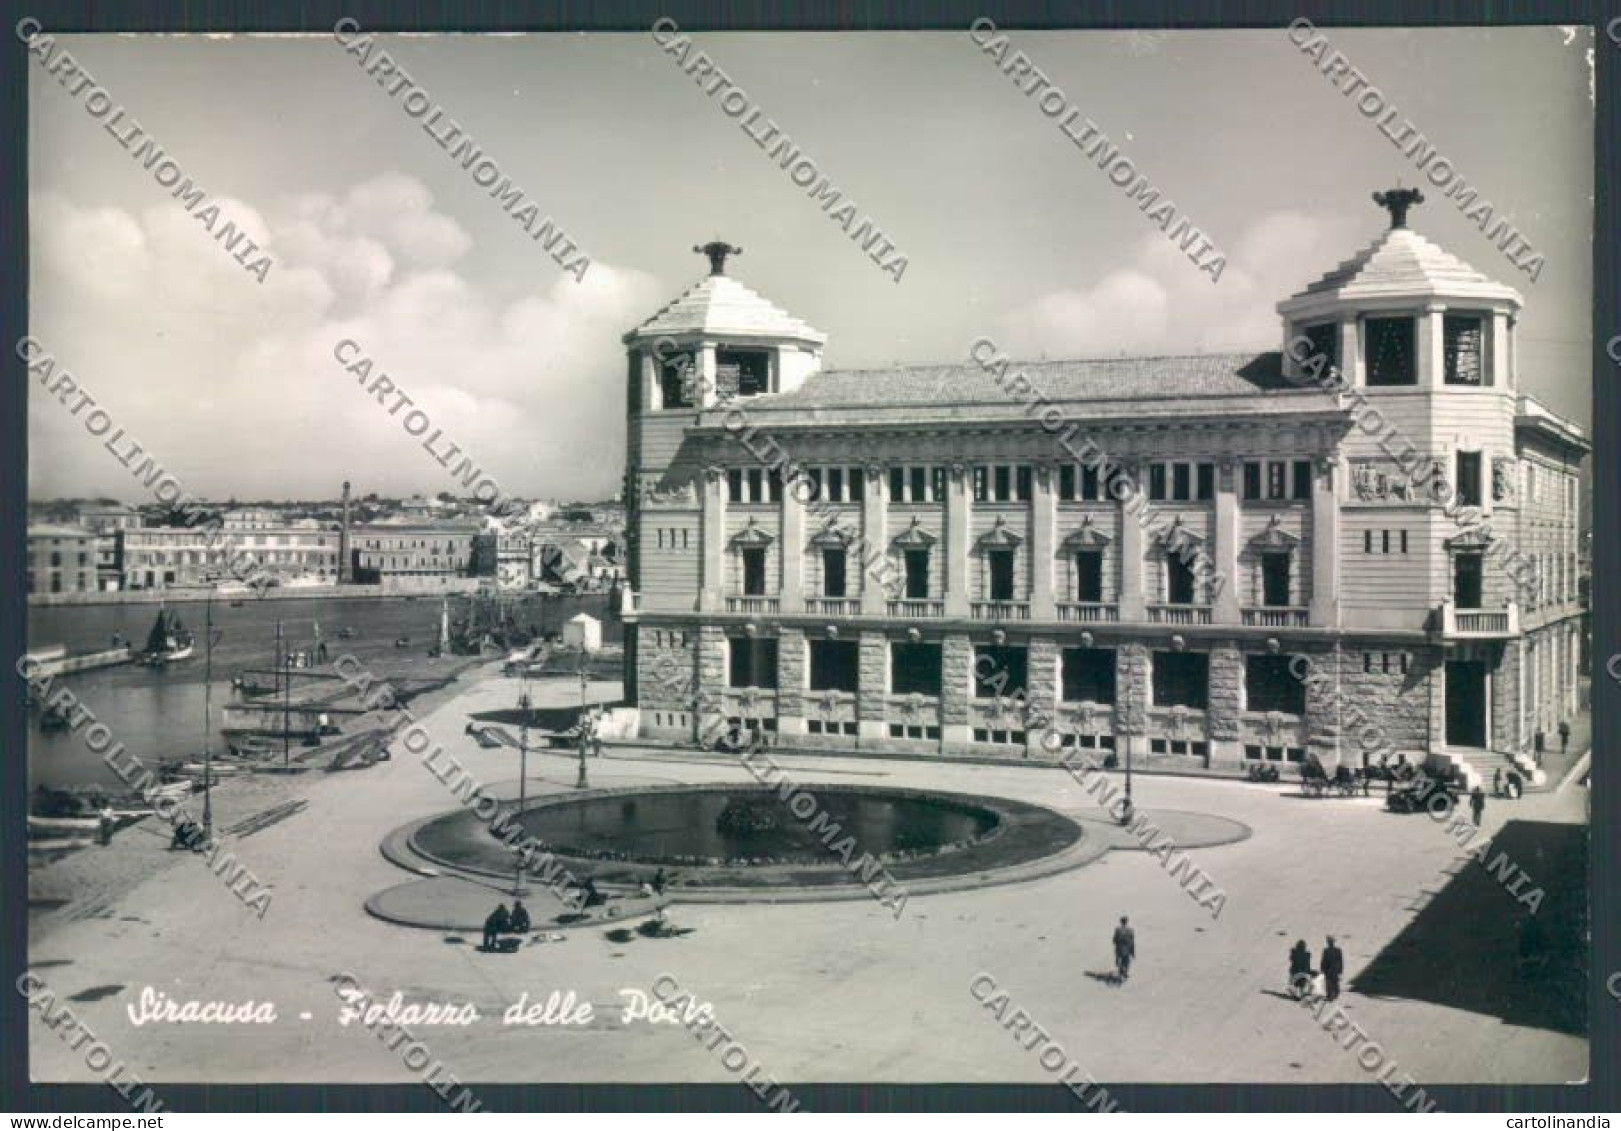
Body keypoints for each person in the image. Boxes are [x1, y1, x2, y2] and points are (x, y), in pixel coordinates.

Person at [1112, 916, 1135, 983]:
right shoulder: (1130, 930)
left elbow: (1114, 940)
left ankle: (1121, 973)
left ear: (1121, 922)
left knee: (1120, 961)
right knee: (1126, 961)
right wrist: (1132, 951)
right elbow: (1132, 941)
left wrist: (1117, 944)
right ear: (1126, 922)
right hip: (1127, 949)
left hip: (1119, 948)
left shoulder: (1117, 930)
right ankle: (1124, 973)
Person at [1321, 936, 1345, 1001]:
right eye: (1328, 942)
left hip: (1334, 969)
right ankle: (1330, 995)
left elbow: (1340, 960)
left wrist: (1340, 969)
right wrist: (1322, 968)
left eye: (1330, 942)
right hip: (1329, 969)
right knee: (1329, 982)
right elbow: (1323, 960)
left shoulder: (1337, 950)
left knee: (1334, 982)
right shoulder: (1326, 950)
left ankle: (1335, 993)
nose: (1329, 943)